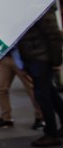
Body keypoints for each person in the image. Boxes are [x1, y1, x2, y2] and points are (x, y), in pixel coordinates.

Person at [18, 9, 63, 147]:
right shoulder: (29, 9)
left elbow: (53, 35)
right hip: (34, 57)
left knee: (42, 97)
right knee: (50, 94)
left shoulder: (41, 8)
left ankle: (51, 134)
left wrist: (56, 61)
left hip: (41, 58)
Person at [0, 48, 44, 130]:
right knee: (1, 88)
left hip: (20, 56)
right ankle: (6, 118)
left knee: (31, 88)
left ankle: (41, 116)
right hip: (4, 57)